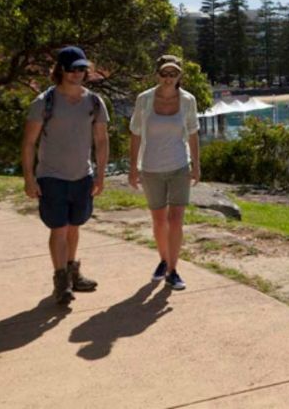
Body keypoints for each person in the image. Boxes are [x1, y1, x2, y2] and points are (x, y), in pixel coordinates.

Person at [22, 46, 110, 305]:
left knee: (74, 226)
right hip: (52, 177)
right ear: (60, 69)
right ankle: (61, 282)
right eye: (72, 69)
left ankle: (73, 272)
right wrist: (29, 178)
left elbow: (102, 140)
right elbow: (28, 143)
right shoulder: (44, 102)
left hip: (82, 176)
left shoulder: (94, 101)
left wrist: (100, 175)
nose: (77, 74)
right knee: (59, 229)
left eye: (82, 69)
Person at [128, 55, 200, 290]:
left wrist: (196, 165)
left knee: (176, 220)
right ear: (157, 74)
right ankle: (163, 259)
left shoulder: (188, 100)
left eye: (174, 74)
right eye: (164, 73)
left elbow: (192, 133)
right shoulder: (145, 100)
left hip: (179, 166)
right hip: (151, 168)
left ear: (179, 75)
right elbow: (136, 133)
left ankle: (172, 270)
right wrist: (132, 169)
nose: (169, 78)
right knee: (159, 221)